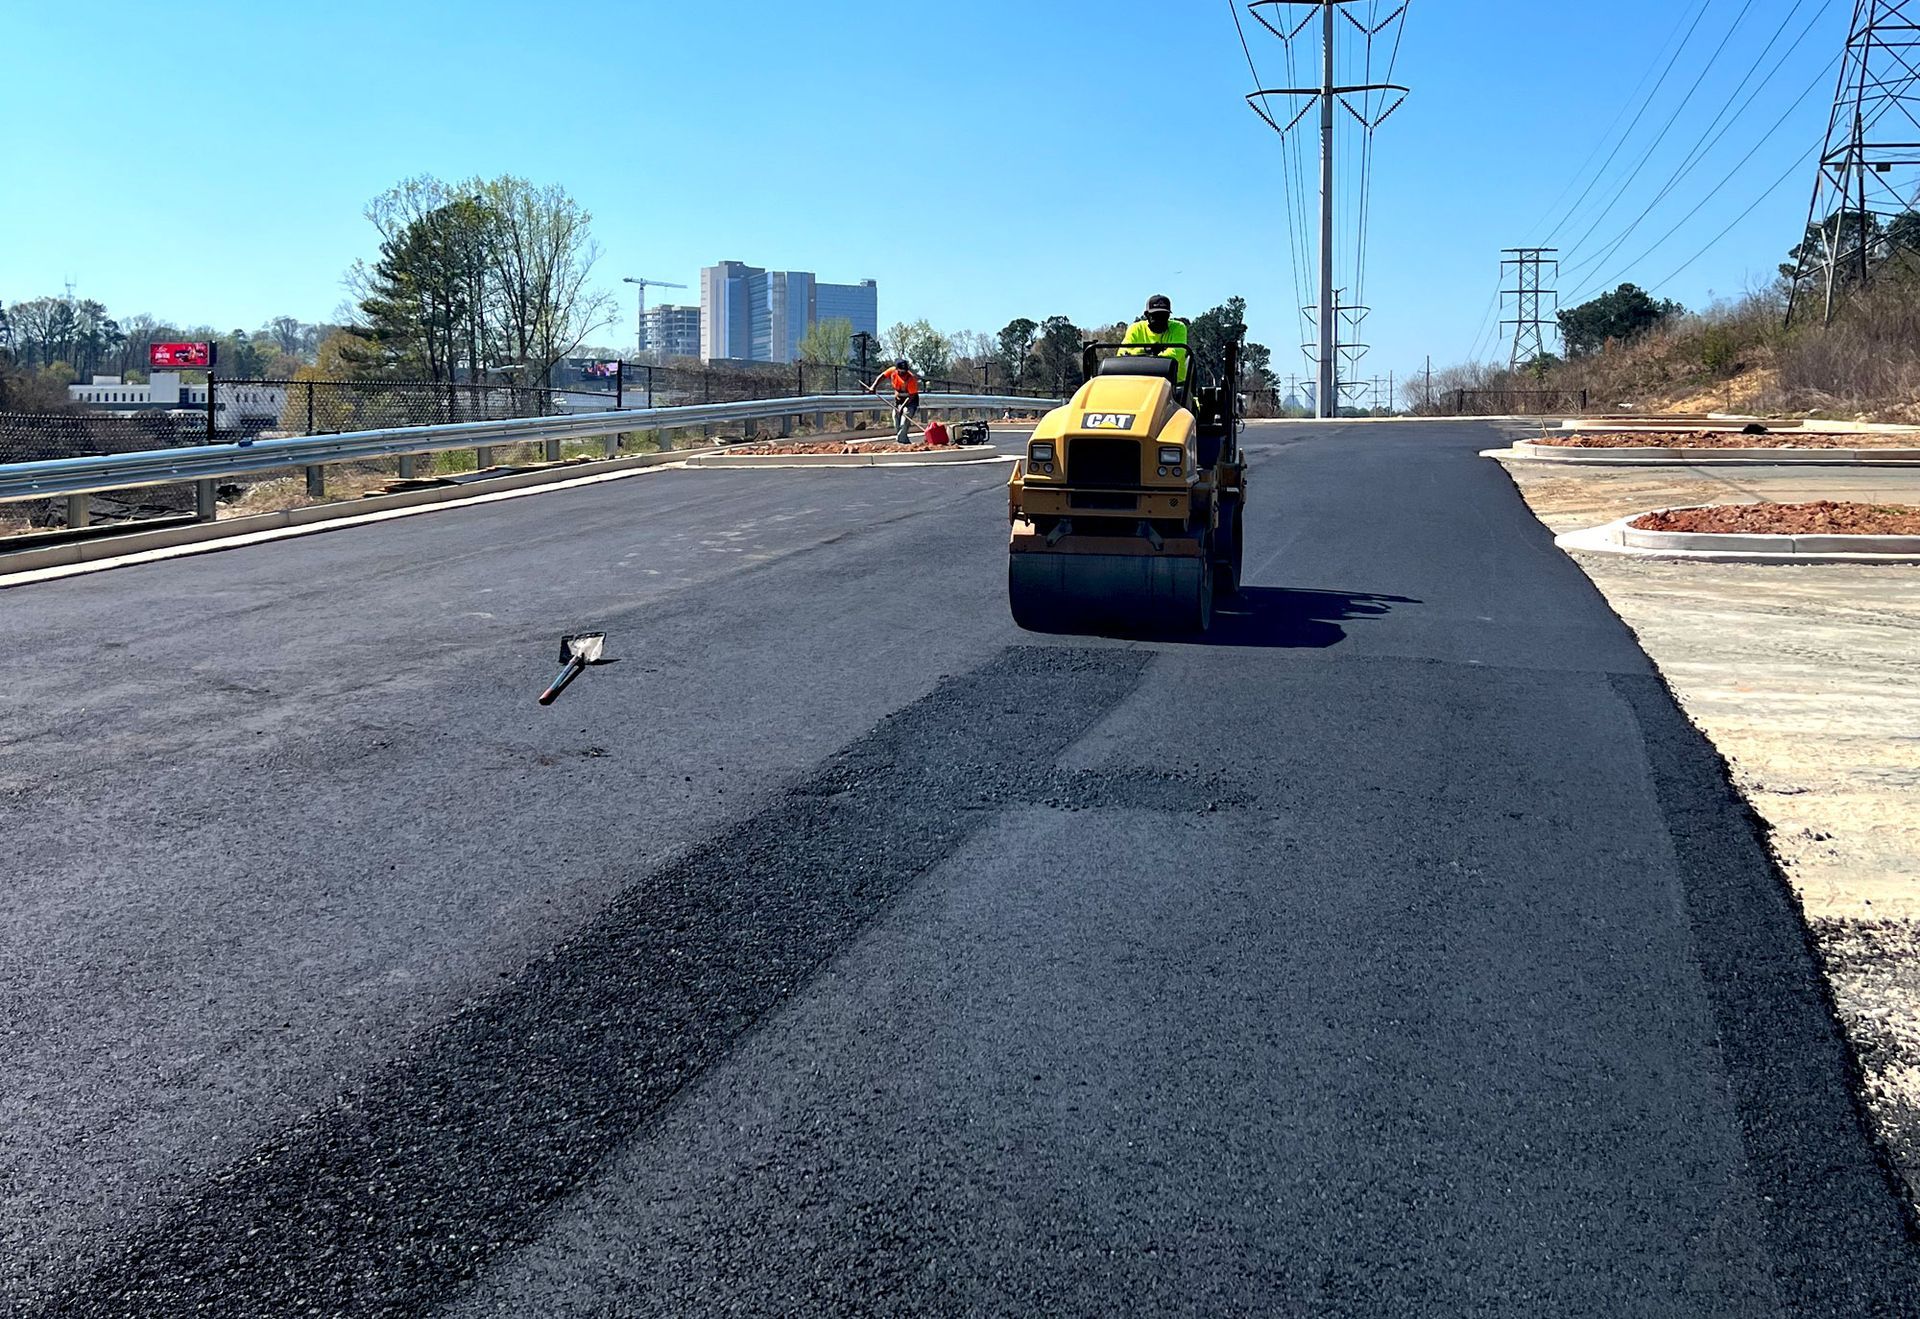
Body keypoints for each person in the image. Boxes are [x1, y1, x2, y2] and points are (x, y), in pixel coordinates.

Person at [1119, 294, 1191, 388]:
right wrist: (1145, 350)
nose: (1160, 320)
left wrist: (1144, 358)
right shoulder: (1135, 329)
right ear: (1147, 315)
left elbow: (1176, 353)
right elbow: (1122, 355)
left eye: (1164, 316)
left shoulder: (1179, 327)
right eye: (1156, 316)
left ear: (1169, 315)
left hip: (1174, 385)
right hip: (1138, 384)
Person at [868, 358, 922, 444]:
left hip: (910, 401)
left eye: (904, 372)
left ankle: (900, 441)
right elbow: (882, 376)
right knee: (895, 418)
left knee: (905, 419)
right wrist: (873, 387)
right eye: (900, 372)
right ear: (896, 370)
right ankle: (904, 441)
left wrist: (902, 406)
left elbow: (911, 396)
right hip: (899, 400)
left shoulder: (911, 379)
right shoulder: (892, 371)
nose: (902, 374)